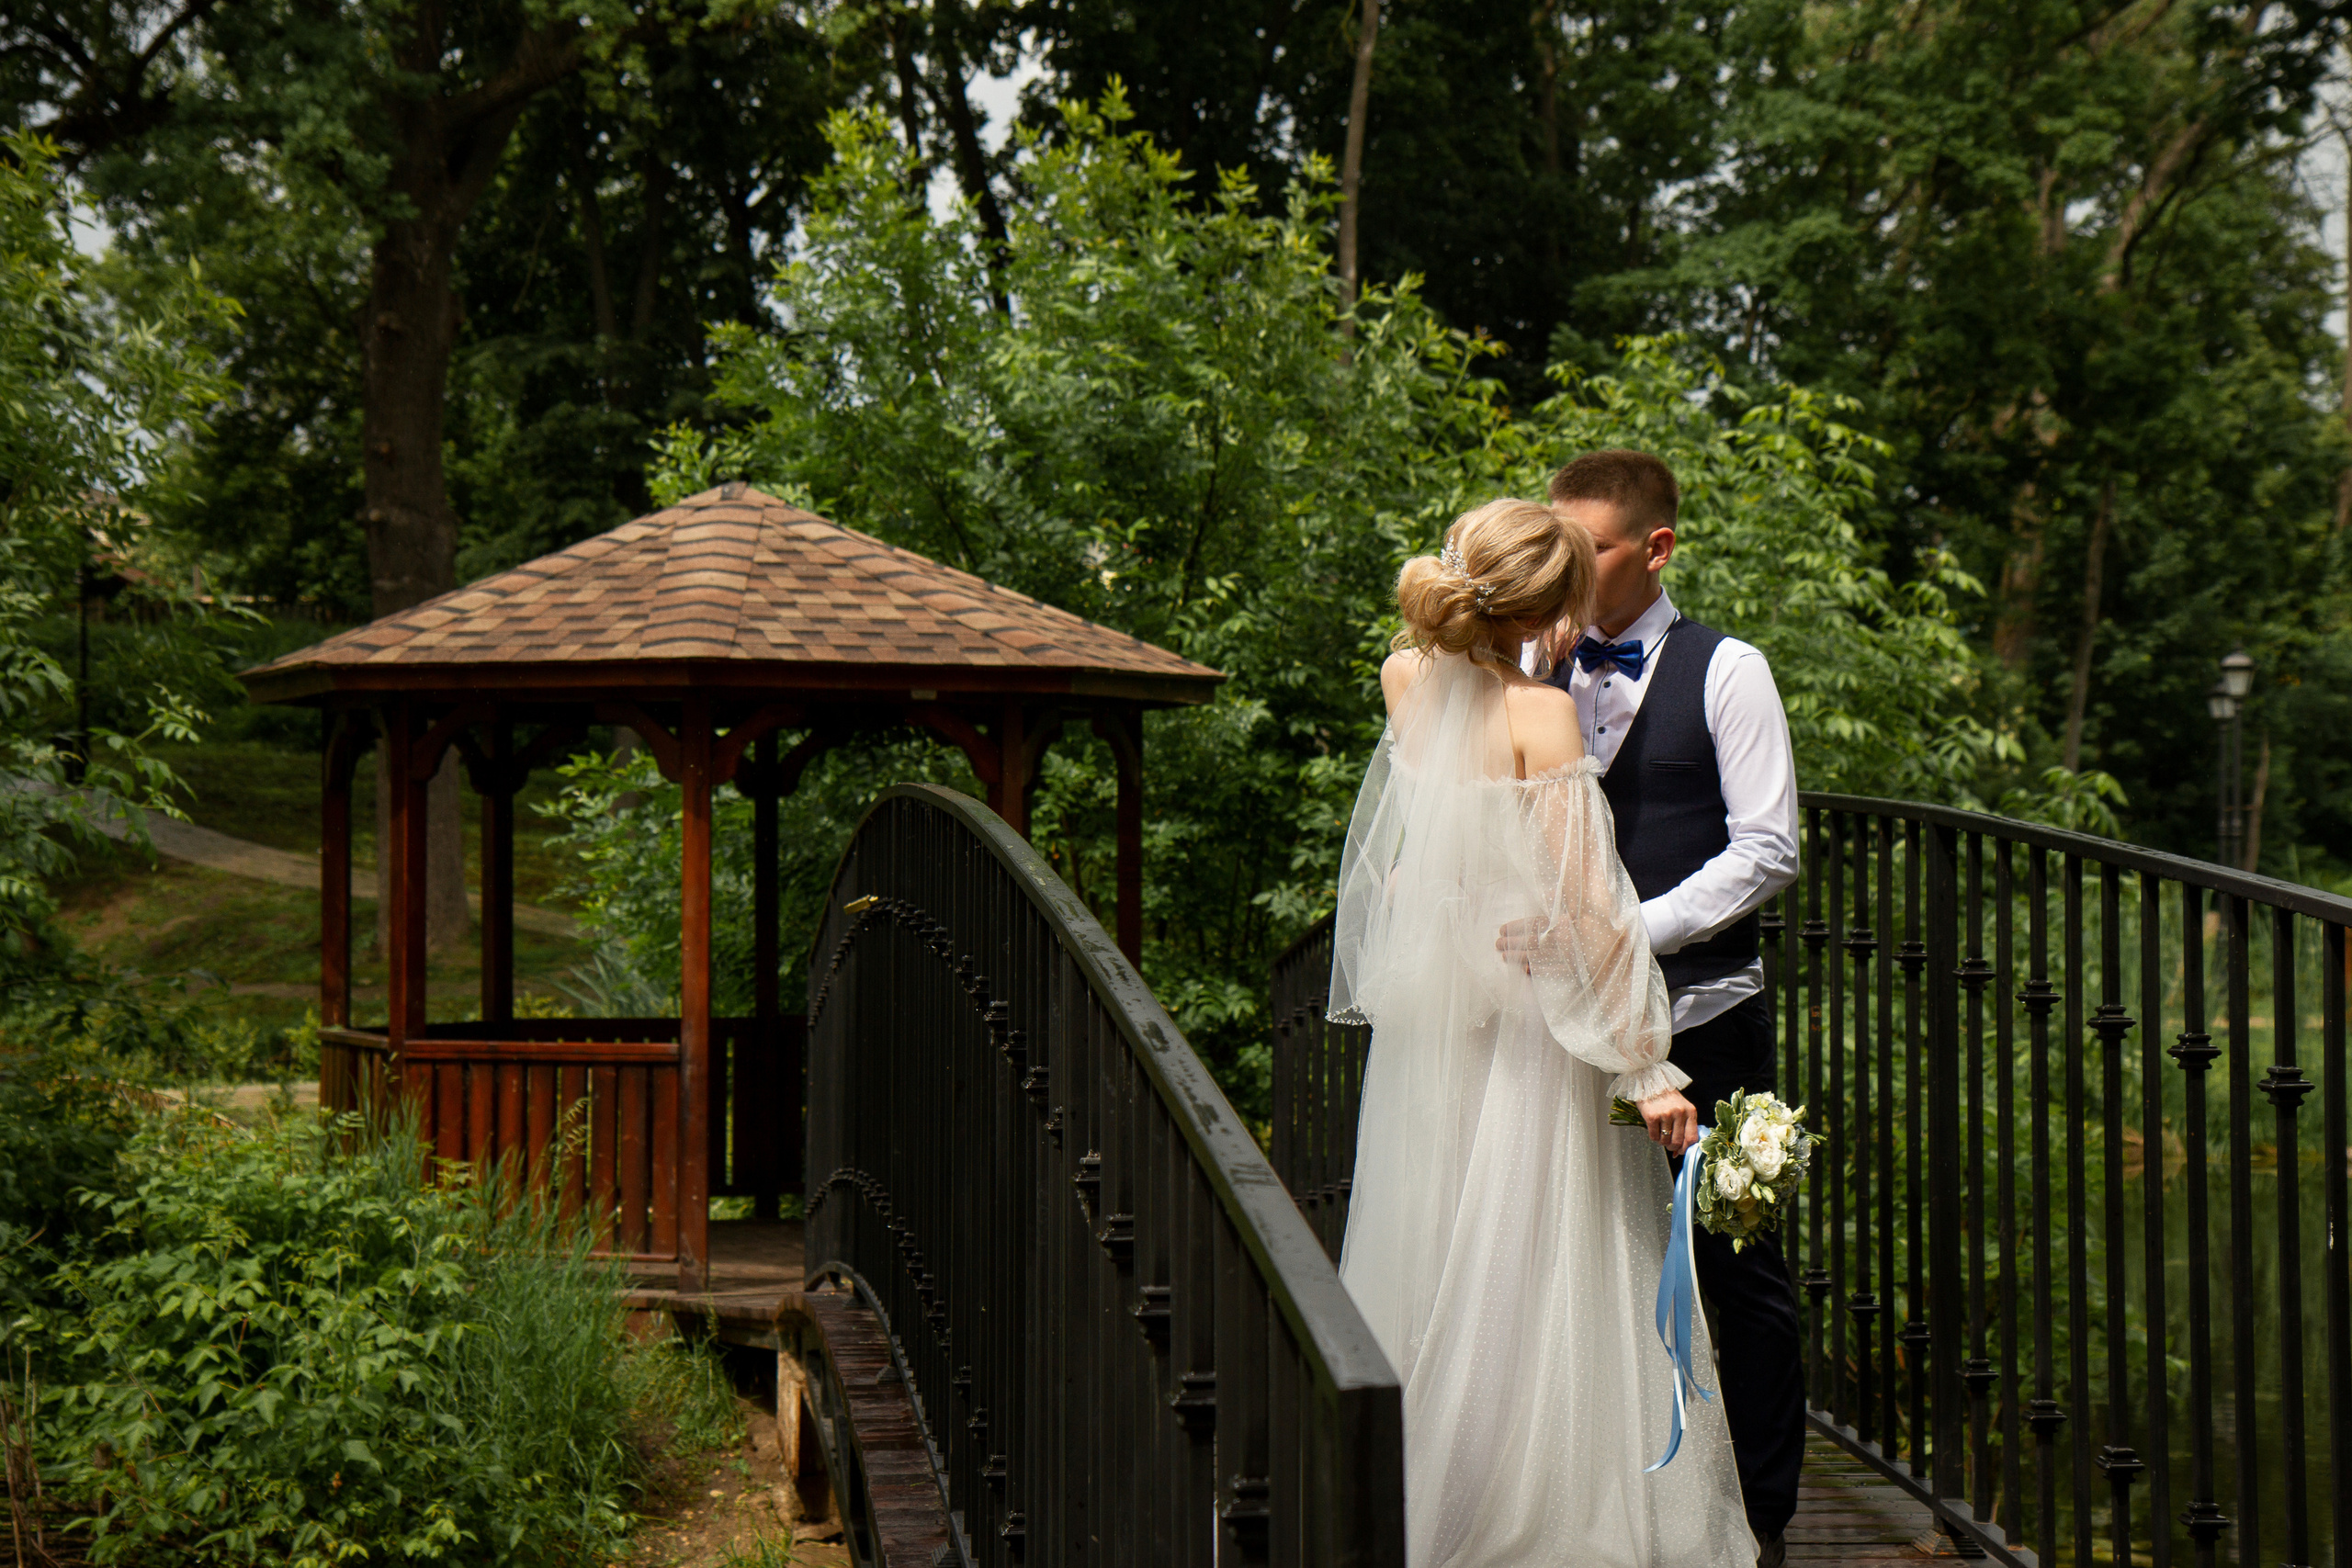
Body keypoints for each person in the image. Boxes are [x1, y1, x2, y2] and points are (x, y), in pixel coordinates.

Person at [1329, 497, 1755, 1568]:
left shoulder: (1404, 681)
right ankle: (1531, 1513)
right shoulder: (1542, 716)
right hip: (1529, 1032)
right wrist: (1647, 1065)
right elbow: (1588, 913)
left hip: (1442, 1023)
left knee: (1435, 1251)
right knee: (1535, 1269)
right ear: (1556, 608)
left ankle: (1417, 1493)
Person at [1527, 449, 1805, 1567]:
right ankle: (1598, 1506)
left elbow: (1768, 848)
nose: (1561, 565)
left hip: (1704, 1018)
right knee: (1574, 1267)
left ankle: (1768, 1520)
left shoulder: (1730, 670)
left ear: (1655, 548)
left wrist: (1624, 931)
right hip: (1554, 1024)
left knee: (1740, 1282)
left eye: (1585, 547)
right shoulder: (1523, 665)